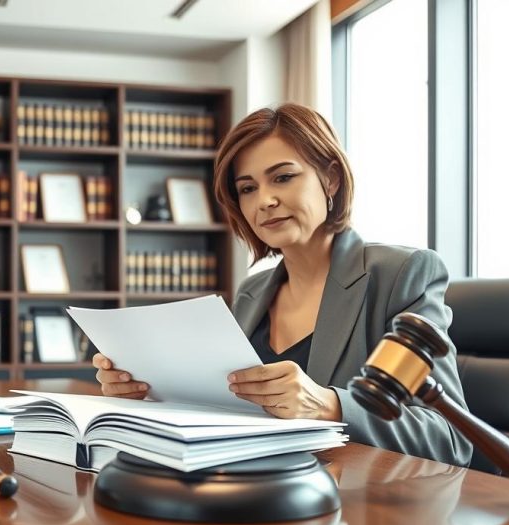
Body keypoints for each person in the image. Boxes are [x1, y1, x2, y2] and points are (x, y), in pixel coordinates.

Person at [93, 103, 473, 467]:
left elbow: (450, 439)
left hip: (356, 510)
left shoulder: (401, 276)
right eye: (247, 189)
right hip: (260, 491)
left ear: (331, 179)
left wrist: (330, 405)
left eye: (283, 177)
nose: (265, 201)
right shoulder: (251, 293)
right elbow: (226, 413)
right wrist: (145, 393)